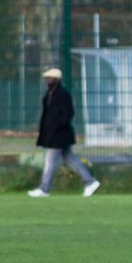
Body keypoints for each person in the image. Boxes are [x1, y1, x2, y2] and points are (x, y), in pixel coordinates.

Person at [28, 67, 100, 198]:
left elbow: (68, 113)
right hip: (54, 134)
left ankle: (44, 188)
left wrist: (57, 126)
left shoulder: (62, 94)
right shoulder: (49, 95)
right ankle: (90, 181)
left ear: (56, 80)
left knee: (50, 161)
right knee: (70, 158)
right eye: (46, 78)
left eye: (49, 78)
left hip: (60, 135)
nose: (47, 80)